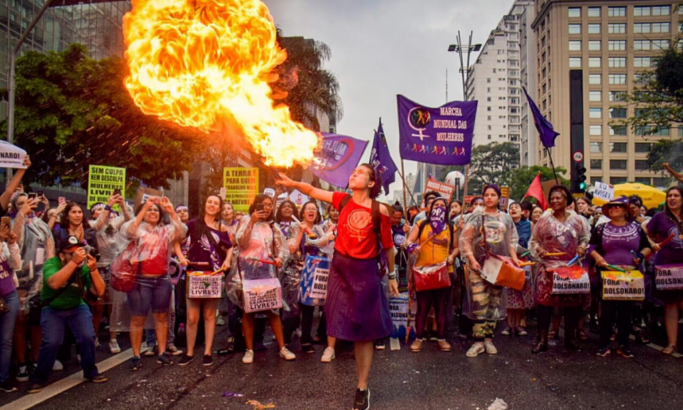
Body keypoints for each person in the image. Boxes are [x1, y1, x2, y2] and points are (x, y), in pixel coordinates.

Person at [276, 164, 398, 410]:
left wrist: (393, 276)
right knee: (339, 318)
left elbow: (388, 247)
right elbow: (312, 189)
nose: (354, 173)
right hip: (341, 268)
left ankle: (362, 387)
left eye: (360, 172)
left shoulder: (380, 210)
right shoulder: (342, 200)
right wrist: (293, 184)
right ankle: (330, 349)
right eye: (354, 171)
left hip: (365, 272)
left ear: (372, 183)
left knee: (364, 332)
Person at [26, 235, 107, 393]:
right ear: (62, 255)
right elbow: (54, 283)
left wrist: (93, 269)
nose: (77, 255)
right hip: (53, 308)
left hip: (76, 306)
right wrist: (73, 262)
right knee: (51, 342)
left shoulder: (82, 268)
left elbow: (100, 291)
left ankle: (90, 371)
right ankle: (39, 378)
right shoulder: (52, 264)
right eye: (72, 253)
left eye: (79, 251)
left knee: (87, 337)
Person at [227, 194, 295, 364]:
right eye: (263, 204)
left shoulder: (273, 227)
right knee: (248, 311)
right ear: (256, 205)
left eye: (269, 205)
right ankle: (249, 350)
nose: (267, 208)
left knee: (273, 311)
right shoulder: (244, 220)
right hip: (248, 273)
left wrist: (280, 258)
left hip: (267, 273)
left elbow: (283, 249)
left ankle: (282, 348)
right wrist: (251, 222)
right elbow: (240, 242)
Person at [121, 197, 186, 370]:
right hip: (140, 280)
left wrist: (172, 211)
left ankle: (162, 352)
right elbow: (128, 231)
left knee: (162, 317)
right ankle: (135, 355)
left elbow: (182, 231)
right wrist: (144, 208)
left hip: (161, 280)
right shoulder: (137, 229)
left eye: (156, 210)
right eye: (149, 210)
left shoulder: (165, 230)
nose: (152, 212)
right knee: (138, 318)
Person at [460, 185, 520, 357]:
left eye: (493, 195)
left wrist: (514, 258)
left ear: (499, 198)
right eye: (486, 195)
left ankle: (489, 339)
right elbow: (466, 239)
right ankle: (478, 341)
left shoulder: (506, 219)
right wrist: (471, 259)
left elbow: (512, 240)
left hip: (499, 266)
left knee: (493, 303)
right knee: (479, 303)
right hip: (478, 266)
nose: (489, 198)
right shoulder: (477, 217)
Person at [529, 185, 590, 353]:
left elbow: (585, 238)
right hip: (548, 268)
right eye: (552, 198)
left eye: (559, 198)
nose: (555, 201)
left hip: (571, 269)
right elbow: (535, 241)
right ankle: (542, 340)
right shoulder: (544, 219)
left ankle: (570, 338)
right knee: (544, 305)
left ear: (566, 200)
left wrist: (582, 247)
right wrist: (540, 250)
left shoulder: (577, 220)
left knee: (572, 305)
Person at [590, 197, 651, 358]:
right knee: (607, 312)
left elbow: (647, 247)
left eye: (618, 206)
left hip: (630, 275)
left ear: (626, 210)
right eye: (611, 207)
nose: (614, 209)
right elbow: (592, 247)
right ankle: (604, 344)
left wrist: (640, 256)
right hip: (608, 274)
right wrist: (598, 258)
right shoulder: (600, 229)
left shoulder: (637, 228)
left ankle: (624, 344)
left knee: (626, 311)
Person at [178, 194, 233, 367]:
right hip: (194, 273)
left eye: (216, 203)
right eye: (209, 201)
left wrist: (227, 260)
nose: (212, 205)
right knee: (192, 317)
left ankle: (208, 351)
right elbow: (175, 241)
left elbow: (229, 247)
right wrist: (181, 258)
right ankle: (189, 352)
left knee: (210, 315)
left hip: (213, 274)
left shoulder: (221, 227)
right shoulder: (192, 224)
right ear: (205, 205)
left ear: (219, 208)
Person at [11, 192, 55, 382]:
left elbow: (50, 249)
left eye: (27, 202)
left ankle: (35, 360)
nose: (25, 206)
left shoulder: (41, 225)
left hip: (39, 280)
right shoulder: (11, 224)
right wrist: (21, 215)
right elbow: (16, 242)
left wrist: (49, 275)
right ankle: (21, 364)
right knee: (19, 323)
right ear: (14, 207)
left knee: (37, 322)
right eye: (20, 203)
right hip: (18, 281)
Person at [281, 201, 333, 353]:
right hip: (295, 273)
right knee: (293, 309)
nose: (311, 211)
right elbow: (291, 249)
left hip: (312, 272)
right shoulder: (294, 226)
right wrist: (301, 232)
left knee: (310, 307)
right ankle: (285, 340)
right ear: (302, 212)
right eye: (308, 209)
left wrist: (330, 233)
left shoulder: (318, 228)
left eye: (314, 209)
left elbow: (324, 246)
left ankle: (305, 340)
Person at [407, 197, 457, 353]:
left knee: (440, 308)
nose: (439, 207)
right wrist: (413, 247)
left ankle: (441, 339)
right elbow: (408, 241)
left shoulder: (451, 227)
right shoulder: (421, 224)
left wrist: (452, 256)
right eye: (436, 205)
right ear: (429, 208)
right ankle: (418, 339)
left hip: (443, 272)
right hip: (424, 272)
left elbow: (457, 248)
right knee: (422, 307)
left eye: (443, 205)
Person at [89, 195, 132, 355]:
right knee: (98, 305)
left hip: (115, 268)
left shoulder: (114, 224)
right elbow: (99, 223)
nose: (102, 211)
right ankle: (93, 336)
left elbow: (128, 220)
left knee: (114, 306)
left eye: (104, 208)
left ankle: (113, 338)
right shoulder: (93, 225)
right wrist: (107, 206)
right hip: (98, 269)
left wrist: (122, 205)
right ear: (94, 214)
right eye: (98, 209)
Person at [647, 186, 683, 355]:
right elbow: (645, 233)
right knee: (670, 305)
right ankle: (672, 343)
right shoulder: (659, 217)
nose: (672, 198)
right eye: (670, 195)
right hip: (667, 269)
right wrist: (652, 244)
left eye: (676, 195)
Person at [502, 202, 533, 336]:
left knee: (521, 292)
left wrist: (526, 253)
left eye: (516, 207)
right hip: (508, 260)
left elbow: (533, 242)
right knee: (508, 293)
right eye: (511, 207)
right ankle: (509, 325)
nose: (513, 209)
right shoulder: (504, 225)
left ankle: (519, 324)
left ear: (523, 211)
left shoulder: (529, 225)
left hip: (524, 260)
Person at [0, 225, 22, 393]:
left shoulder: (4, 243)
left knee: (6, 339)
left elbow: (16, 264)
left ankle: (3, 378)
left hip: (9, 295)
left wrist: (12, 244)